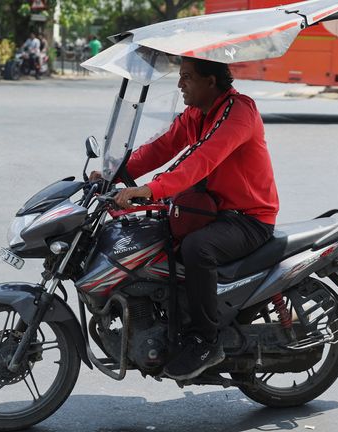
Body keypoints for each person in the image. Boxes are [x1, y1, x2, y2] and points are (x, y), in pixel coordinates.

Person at [92, 57, 279, 380]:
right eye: (180, 77)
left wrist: (152, 189)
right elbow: (160, 148)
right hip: (211, 211)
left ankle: (207, 340)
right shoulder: (196, 114)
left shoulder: (238, 112)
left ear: (211, 81)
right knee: (151, 237)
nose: (180, 85)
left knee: (197, 248)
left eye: (187, 77)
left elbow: (201, 160)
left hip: (247, 219)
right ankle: (171, 325)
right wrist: (114, 174)